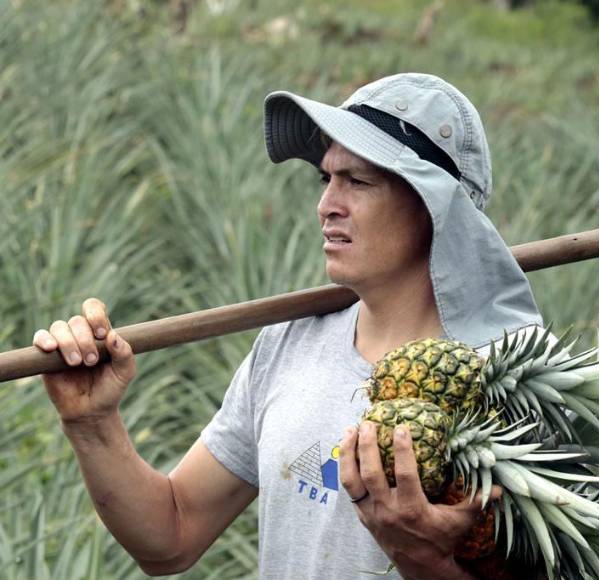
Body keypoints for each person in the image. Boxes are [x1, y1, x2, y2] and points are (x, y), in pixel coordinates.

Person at [33, 72, 543, 578]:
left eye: (358, 181)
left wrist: (425, 562)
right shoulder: (290, 342)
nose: (327, 206)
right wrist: (92, 422)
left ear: (436, 207)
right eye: (327, 179)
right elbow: (172, 535)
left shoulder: (516, 378)